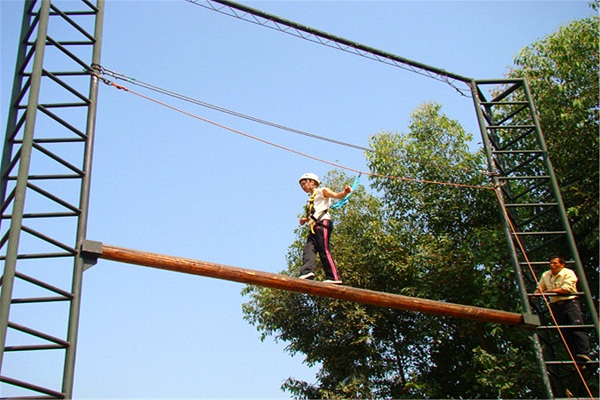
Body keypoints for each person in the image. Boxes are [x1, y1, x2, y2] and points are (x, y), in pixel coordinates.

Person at [297, 173, 351, 284]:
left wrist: (345, 192)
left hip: (323, 223)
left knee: (323, 249)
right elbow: (315, 212)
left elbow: (337, 195)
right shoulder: (310, 200)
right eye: (301, 185)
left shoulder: (322, 191)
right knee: (308, 249)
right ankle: (307, 272)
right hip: (314, 226)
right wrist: (306, 219)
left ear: (312, 182)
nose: (303, 187)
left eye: (304, 184)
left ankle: (334, 277)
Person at [535, 255, 591, 363]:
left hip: (569, 303)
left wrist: (548, 292)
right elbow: (539, 288)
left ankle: (584, 353)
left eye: (555, 263)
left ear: (562, 265)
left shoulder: (568, 273)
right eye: (551, 263)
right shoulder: (546, 275)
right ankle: (575, 358)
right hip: (556, 306)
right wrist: (534, 295)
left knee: (576, 327)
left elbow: (566, 290)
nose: (552, 265)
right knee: (564, 332)